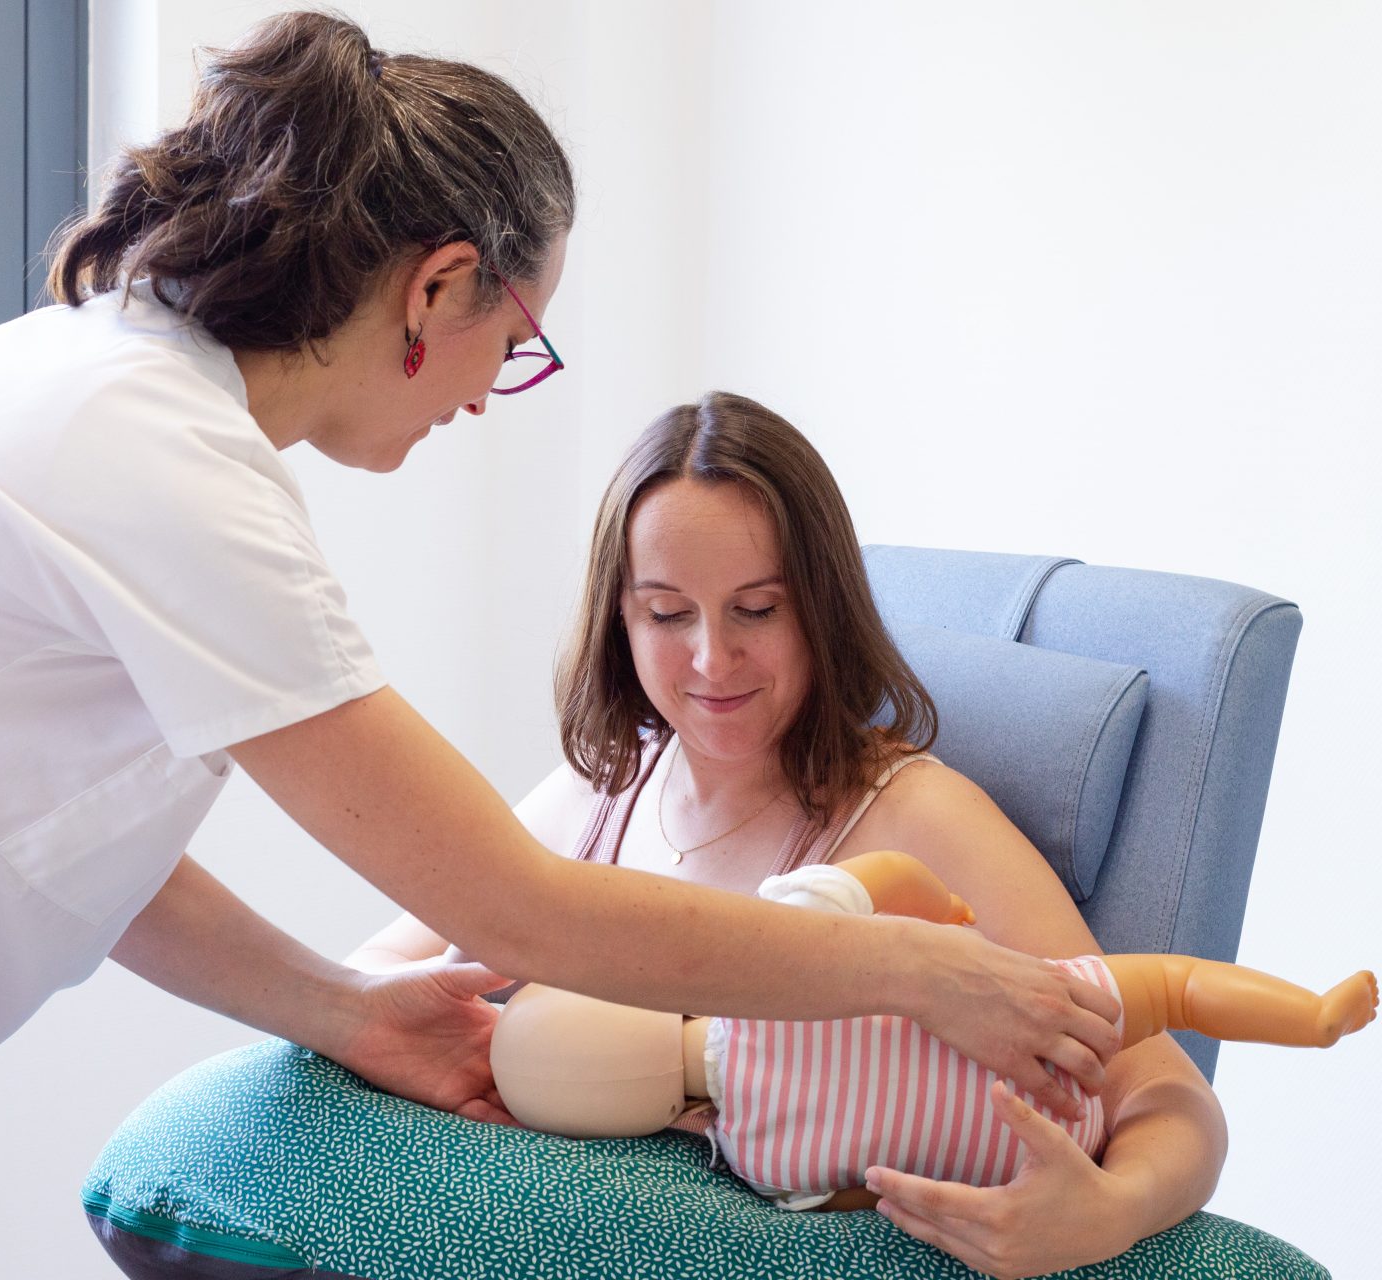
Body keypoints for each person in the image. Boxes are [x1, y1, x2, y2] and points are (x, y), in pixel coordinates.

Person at [0, 15, 1117, 1280]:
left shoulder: (108, 397)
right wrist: (922, 978)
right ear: (436, 291)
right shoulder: (156, 461)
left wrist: (345, 1011)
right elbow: (520, 907)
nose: (492, 396)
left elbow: (56, 844)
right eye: (516, 341)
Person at [346, 391, 1253, 1276]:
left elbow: (1167, 1094)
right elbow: (373, 980)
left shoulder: (911, 817)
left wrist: (1111, 1213)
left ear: (820, 609)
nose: (712, 659)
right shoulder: (604, 788)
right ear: (620, 620)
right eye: (667, 614)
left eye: (758, 609)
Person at [487, 850, 1378, 1212]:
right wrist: (945, 917)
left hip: (1030, 1158)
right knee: (1175, 987)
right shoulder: (770, 943)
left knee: (1165, 997)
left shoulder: (759, 1163)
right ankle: (1310, 1017)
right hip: (1053, 1042)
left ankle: (1309, 1017)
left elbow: (869, 1197)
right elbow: (891, 878)